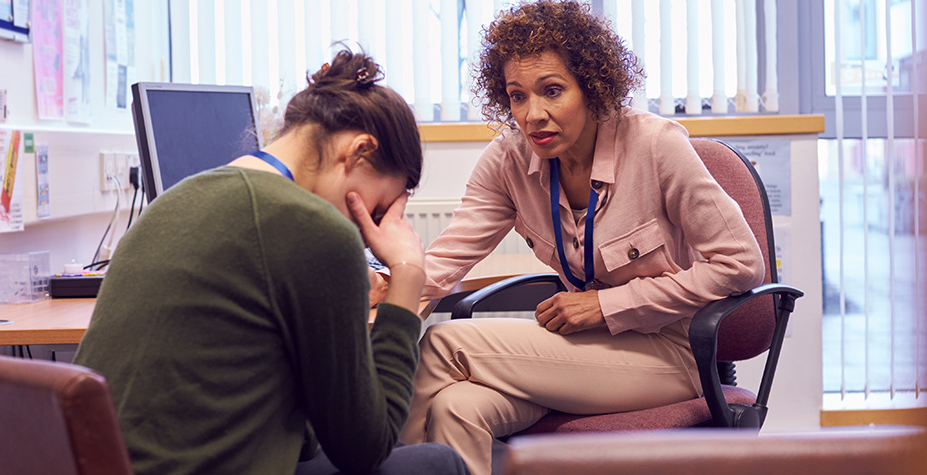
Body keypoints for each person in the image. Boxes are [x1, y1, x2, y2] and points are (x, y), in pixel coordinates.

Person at [392, 2, 765, 474]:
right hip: (581, 352)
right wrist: (382, 296)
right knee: (455, 408)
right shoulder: (508, 162)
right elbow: (446, 259)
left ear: (592, 86)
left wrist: (608, 305)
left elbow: (740, 264)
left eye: (552, 91)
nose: (533, 115)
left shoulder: (656, 146)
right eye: (517, 96)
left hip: (667, 352)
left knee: (444, 344)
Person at [74, 50, 469, 475]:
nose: (367, 233)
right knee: (438, 462)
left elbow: (299, 438)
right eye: (376, 212)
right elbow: (365, 449)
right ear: (359, 151)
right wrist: (408, 274)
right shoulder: (314, 230)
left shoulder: (173, 203)